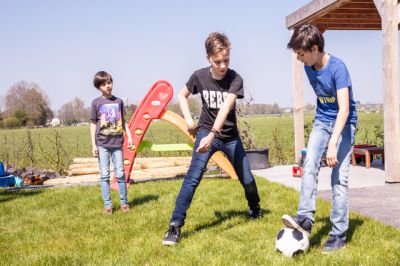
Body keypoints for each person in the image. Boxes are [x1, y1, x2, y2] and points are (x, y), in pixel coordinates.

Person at [162, 32, 262, 246]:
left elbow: (227, 106)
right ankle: (175, 226)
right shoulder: (199, 76)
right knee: (193, 178)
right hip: (205, 132)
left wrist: (213, 134)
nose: (223, 65)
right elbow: (181, 96)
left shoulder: (235, 78)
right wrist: (189, 121)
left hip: (229, 137)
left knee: (247, 179)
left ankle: (255, 209)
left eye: (226, 60)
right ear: (208, 58)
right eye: (217, 61)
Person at [282, 24, 357, 252]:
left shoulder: (338, 68)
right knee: (310, 164)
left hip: (344, 125)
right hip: (322, 122)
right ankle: (305, 217)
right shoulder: (309, 67)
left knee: (338, 178)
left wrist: (333, 143)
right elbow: (325, 106)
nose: (299, 59)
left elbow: (344, 109)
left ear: (314, 48)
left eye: (301, 54)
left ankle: (338, 234)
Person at [90, 71, 133, 215]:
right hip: (102, 143)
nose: (108, 86)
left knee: (120, 173)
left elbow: (124, 121)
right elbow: (92, 124)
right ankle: (108, 205)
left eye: (109, 83)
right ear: (98, 87)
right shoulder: (96, 103)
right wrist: (93, 144)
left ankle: (124, 203)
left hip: (117, 144)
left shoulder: (118, 101)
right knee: (105, 175)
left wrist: (130, 136)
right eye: (104, 84)